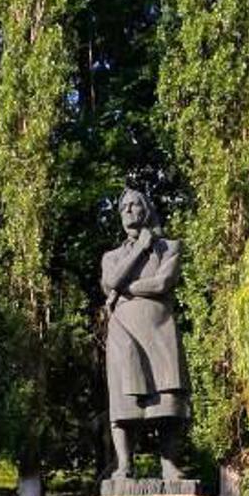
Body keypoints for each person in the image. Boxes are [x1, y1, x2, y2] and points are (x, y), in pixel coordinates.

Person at [100, 187, 190, 480]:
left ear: (146, 209)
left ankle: (169, 464)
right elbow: (110, 279)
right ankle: (124, 465)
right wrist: (140, 249)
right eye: (123, 206)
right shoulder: (110, 256)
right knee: (124, 402)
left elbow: (162, 283)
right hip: (124, 332)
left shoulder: (170, 247)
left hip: (160, 329)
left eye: (134, 205)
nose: (127, 210)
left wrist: (123, 290)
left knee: (168, 398)